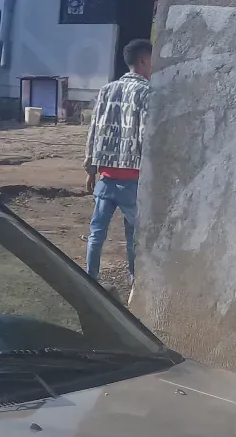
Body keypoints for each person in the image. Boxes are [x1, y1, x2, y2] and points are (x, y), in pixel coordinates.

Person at [83, 37, 155, 283]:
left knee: (96, 233)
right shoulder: (146, 92)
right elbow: (146, 133)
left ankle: (90, 279)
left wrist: (91, 170)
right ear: (144, 60)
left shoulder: (106, 90)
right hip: (132, 180)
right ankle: (135, 281)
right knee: (134, 234)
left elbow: (94, 130)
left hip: (105, 178)